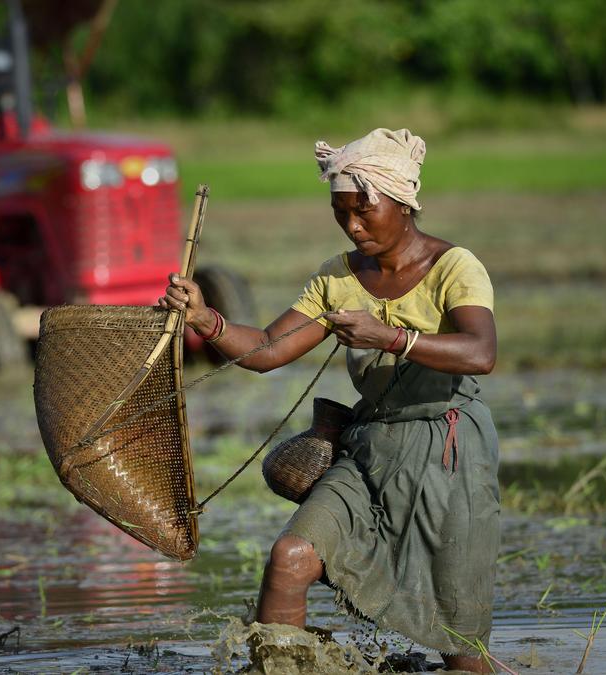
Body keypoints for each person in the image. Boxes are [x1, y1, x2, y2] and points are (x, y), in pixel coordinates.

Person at [159, 128, 500, 673]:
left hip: (447, 454)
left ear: (403, 202)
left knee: (459, 639)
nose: (353, 225)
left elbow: (480, 353)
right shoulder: (337, 277)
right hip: (369, 450)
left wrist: (387, 337)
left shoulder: (454, 267)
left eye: (364, 212)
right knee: (290, 558)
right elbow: (268, 350)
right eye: (341, 213)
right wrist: (207, 320)